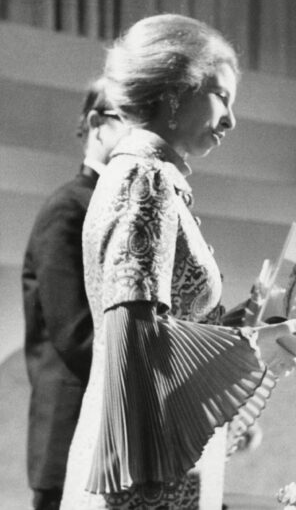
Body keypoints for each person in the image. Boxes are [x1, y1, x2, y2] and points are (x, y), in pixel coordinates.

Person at [60, 14, 296, 510]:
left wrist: (246, 323)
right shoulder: (144, 179)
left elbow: (162, 322)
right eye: (222, 96)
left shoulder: (147, 177)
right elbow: (136, 336)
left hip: (148, 453)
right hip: (142, 471)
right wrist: (250, 344)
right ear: (175, 91)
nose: (231, 120)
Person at [22, 80, 130, 510]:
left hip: (109, 435)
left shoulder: (119, 205)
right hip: (71, 432)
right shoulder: (69, 207)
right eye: (131, 120)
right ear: (96, 124)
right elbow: (75, 334)